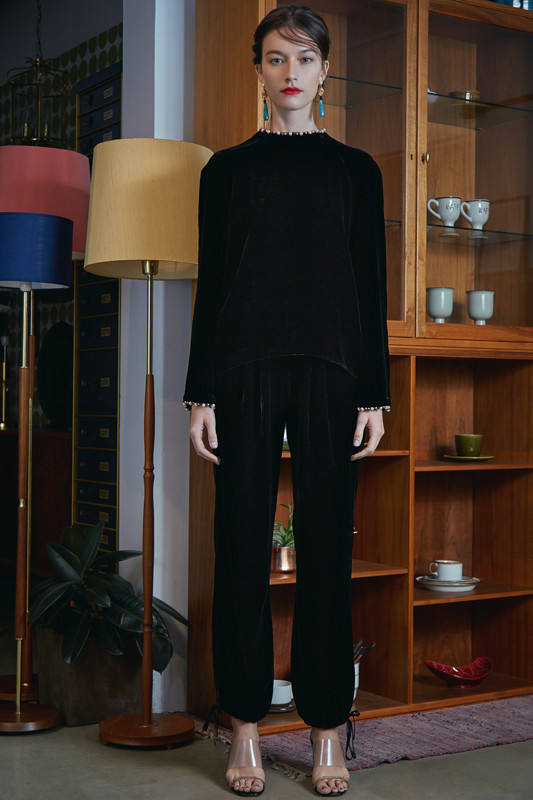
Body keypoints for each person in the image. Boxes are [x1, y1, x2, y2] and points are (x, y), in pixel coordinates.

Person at [183, 5, 390, 796]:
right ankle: (242, 724)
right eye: (275, 58)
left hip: (333, 370)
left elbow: (369, 289)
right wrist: (199, 393)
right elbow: (211, 286)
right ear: (258, 70)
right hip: (243, 369)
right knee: (239, 548)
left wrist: (374, 395)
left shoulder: (355, 171)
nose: (290, 72)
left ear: (325, 70)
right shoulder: (225, 171)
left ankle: (326, 729)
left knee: (326, 553)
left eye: (304, 57)